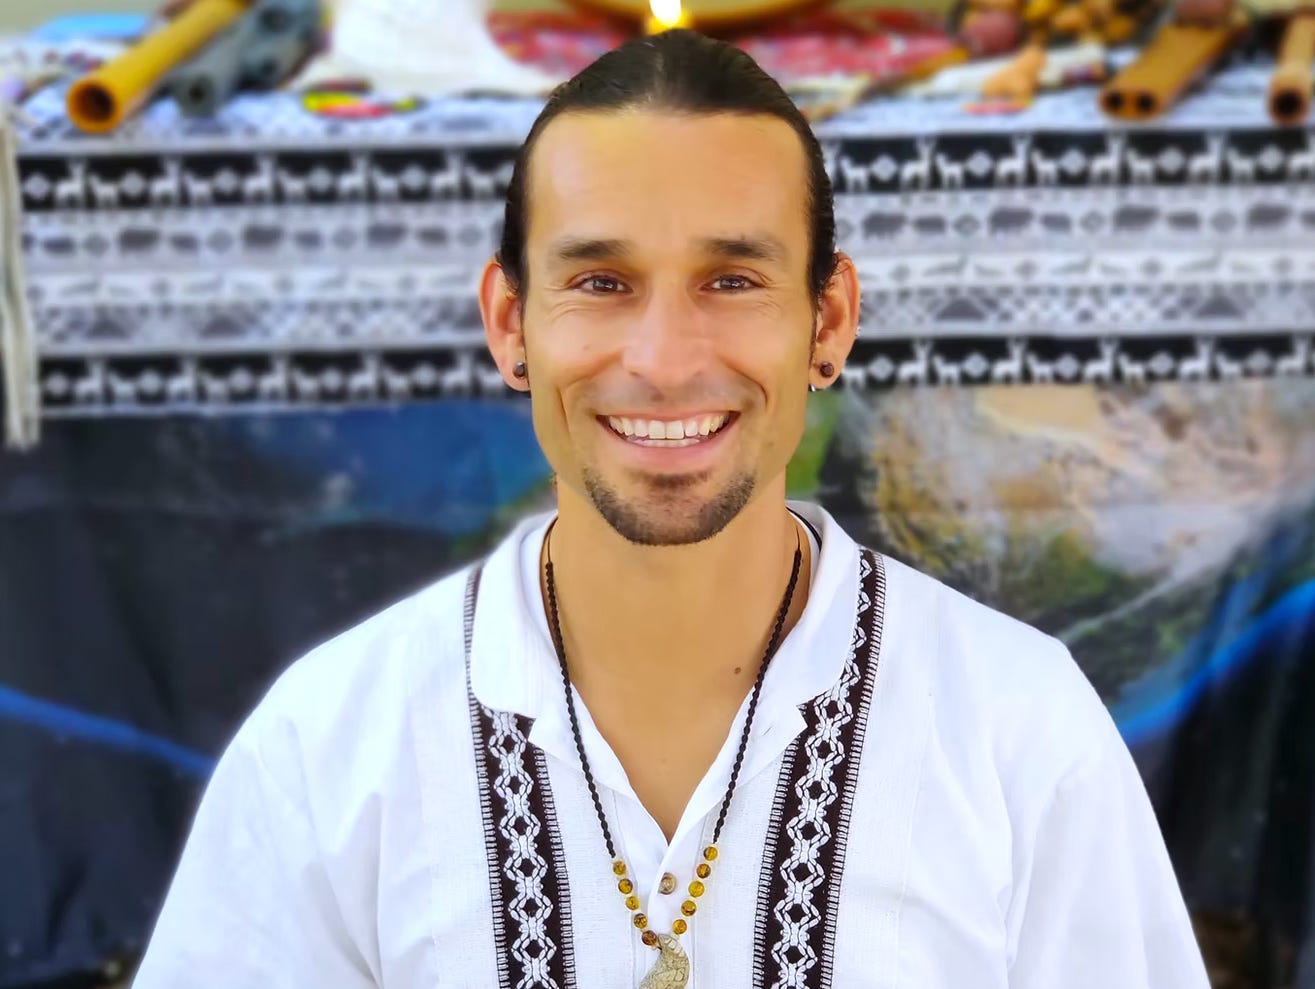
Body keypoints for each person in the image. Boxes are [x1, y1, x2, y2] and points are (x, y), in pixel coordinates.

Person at [134, 29, 1210, 989]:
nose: (662, 360)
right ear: (511, 322)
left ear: (827, 320)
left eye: (732, 281)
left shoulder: (1018, 726)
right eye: (600, 282)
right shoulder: (326, 745)